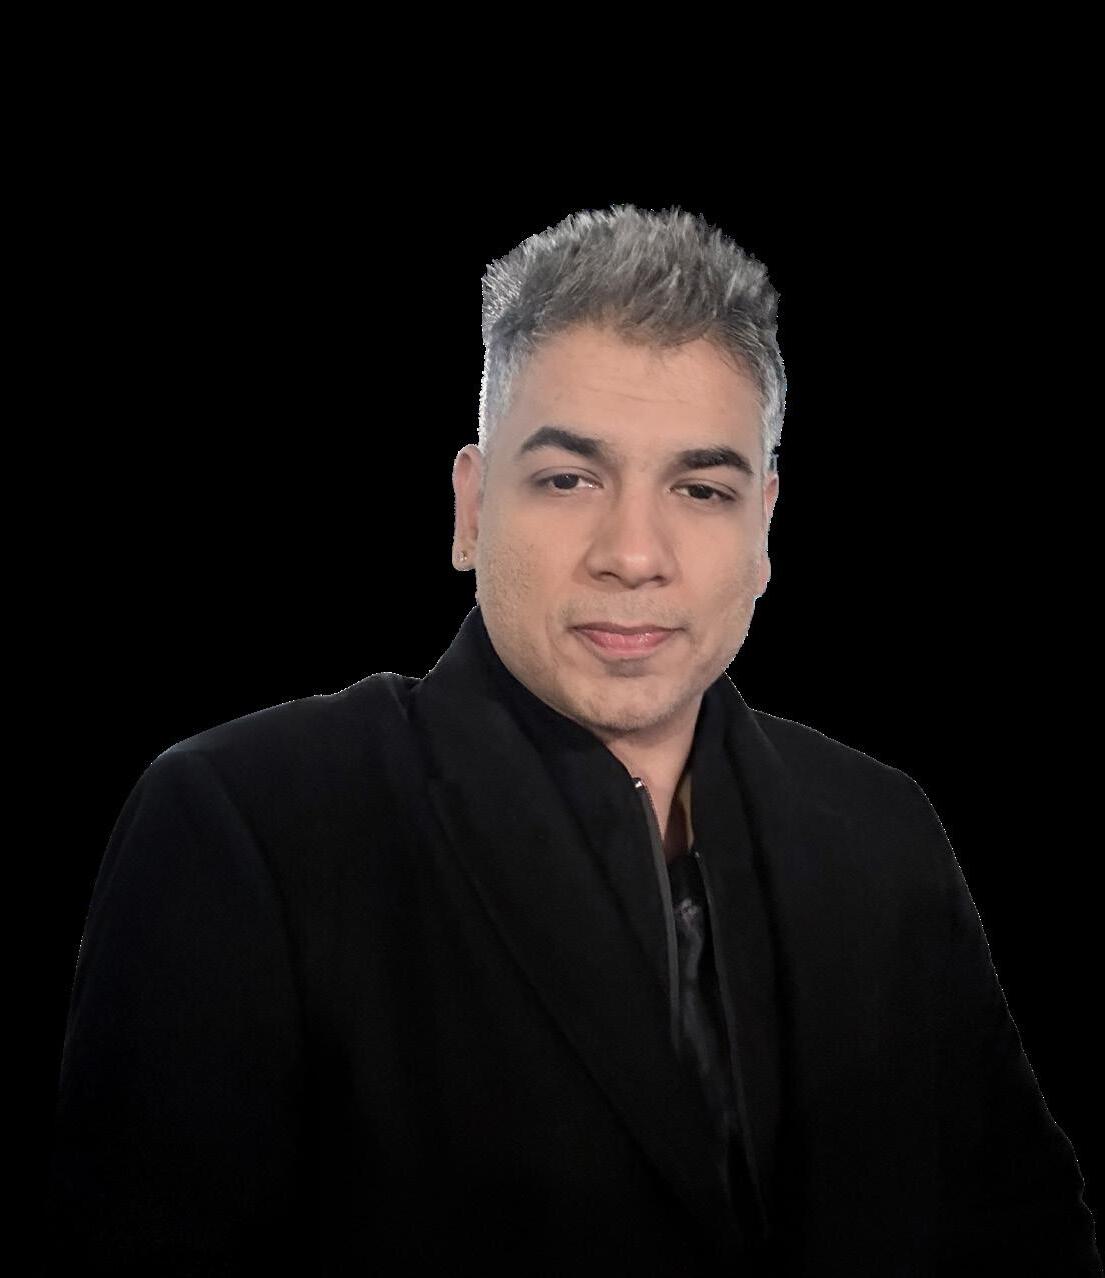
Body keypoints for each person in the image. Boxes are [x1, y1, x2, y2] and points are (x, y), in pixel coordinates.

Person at [46, 204, 1101, 1275]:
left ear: (763, 528)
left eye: (700, 489)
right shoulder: (246, 828)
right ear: (470, 508)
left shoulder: (884, 833)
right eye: (568, 479)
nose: (633, 554)